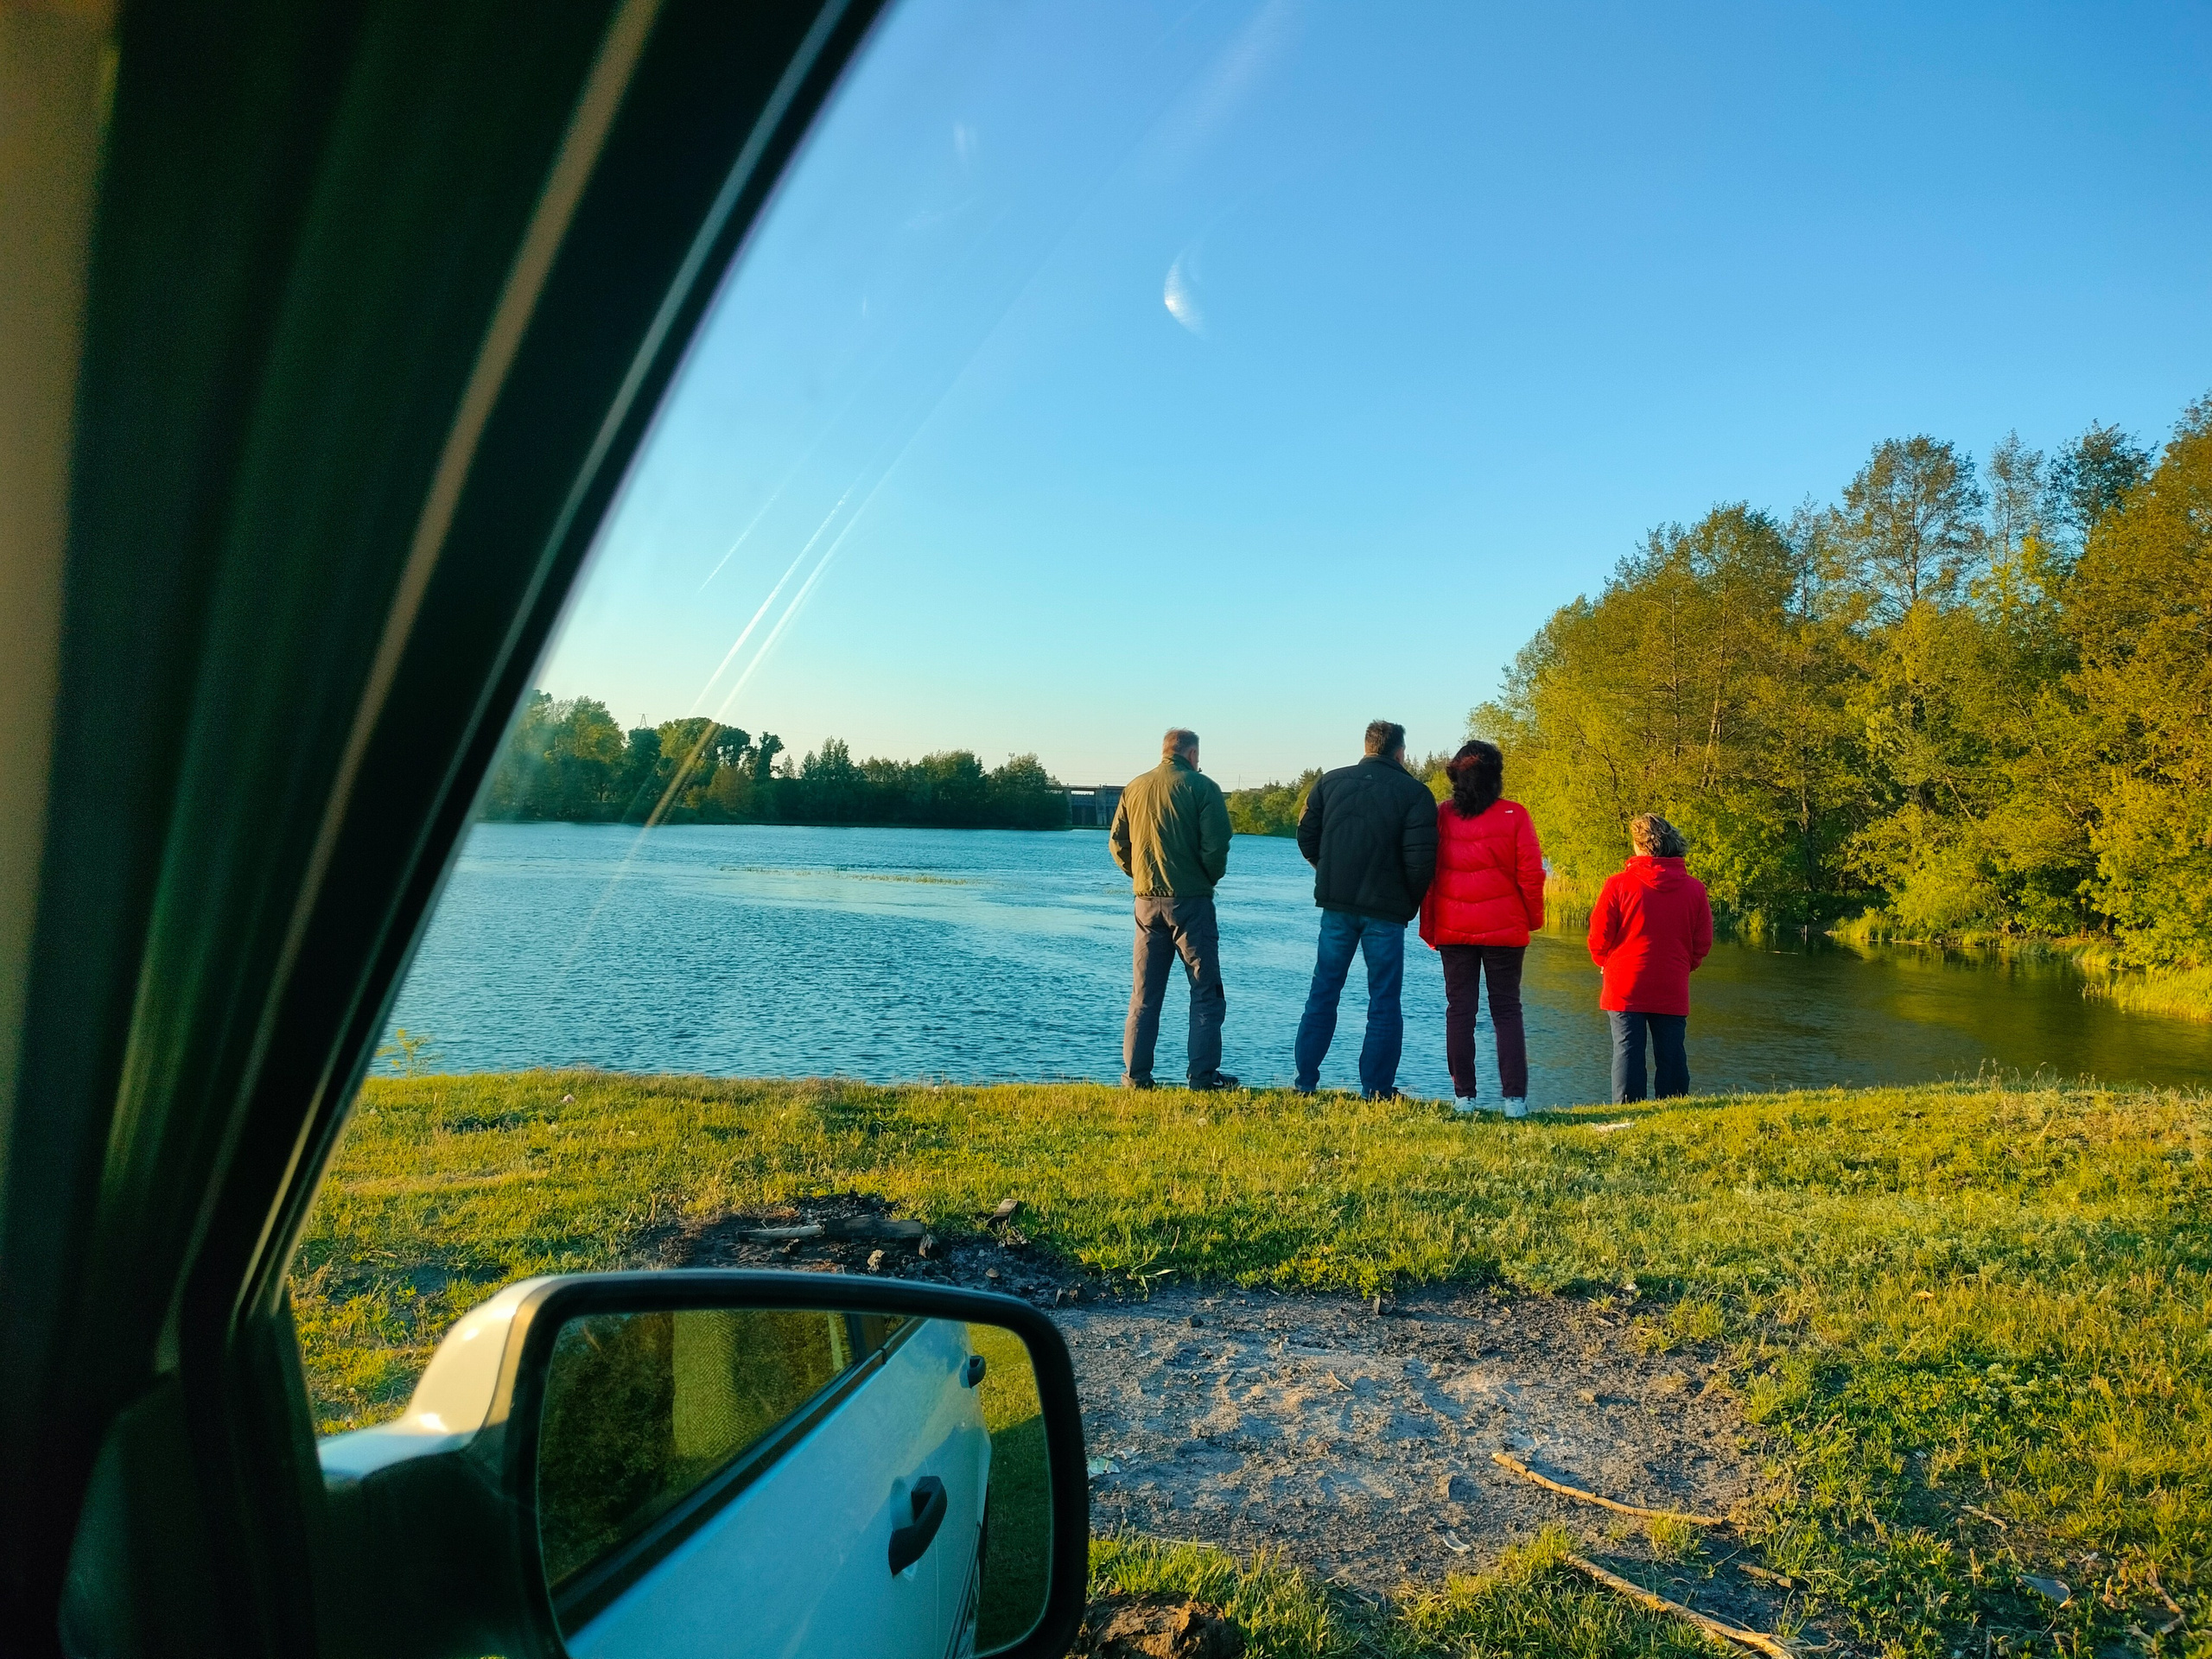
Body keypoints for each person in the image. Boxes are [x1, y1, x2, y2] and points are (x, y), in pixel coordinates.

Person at [1293, 721, 1438, 1097]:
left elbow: (1306, 835)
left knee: (1323, 990)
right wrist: (1407, 903)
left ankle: (1305, 1082)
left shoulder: (1330, 782)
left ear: (1367, 746)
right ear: (1400, 752)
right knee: (1384, 1000)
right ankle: (1376, 1089)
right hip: (1387, 913)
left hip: (1337, 906)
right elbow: (1422, 861)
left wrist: (1328, 870)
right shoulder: (1415, 793)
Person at [1418, 740, 1545, 1117]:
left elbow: (1429, 876)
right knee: (1507, 1011)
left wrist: (1430, 928)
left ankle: (1463, 1098)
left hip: (1454, 930)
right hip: (1505, 931)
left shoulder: (1442, 815)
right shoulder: (1515, 815)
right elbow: (1531, 877)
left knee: (1460, 1011)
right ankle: (1514, 1101)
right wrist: (1532, 920)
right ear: (1495, 777)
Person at [1109, 728, 1236, 1090]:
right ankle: (1202, 1078)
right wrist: (1205, 879)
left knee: (1144, 996)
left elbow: (1118, 843)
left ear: (1165, 751)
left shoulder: (1135, 787)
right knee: (1205, 992)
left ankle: (1136, 1078)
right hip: (1192, 903)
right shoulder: (1203, 787)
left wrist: (1141, 875)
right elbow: (1217, 846)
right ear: (1192, 754)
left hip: (1146, 903)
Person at [1587, 813, 1713, 1103]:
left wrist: (1604, 961)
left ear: (1640, 846)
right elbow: (1702, 941)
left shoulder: (1618, 884)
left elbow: (1599, 936)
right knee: (1672, 1052)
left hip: (1624, 982)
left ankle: (1627, 1111)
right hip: (1671, 980)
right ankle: (1673, 1108)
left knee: (1627, 1050)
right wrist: (1684, 965)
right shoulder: (1694, 889)